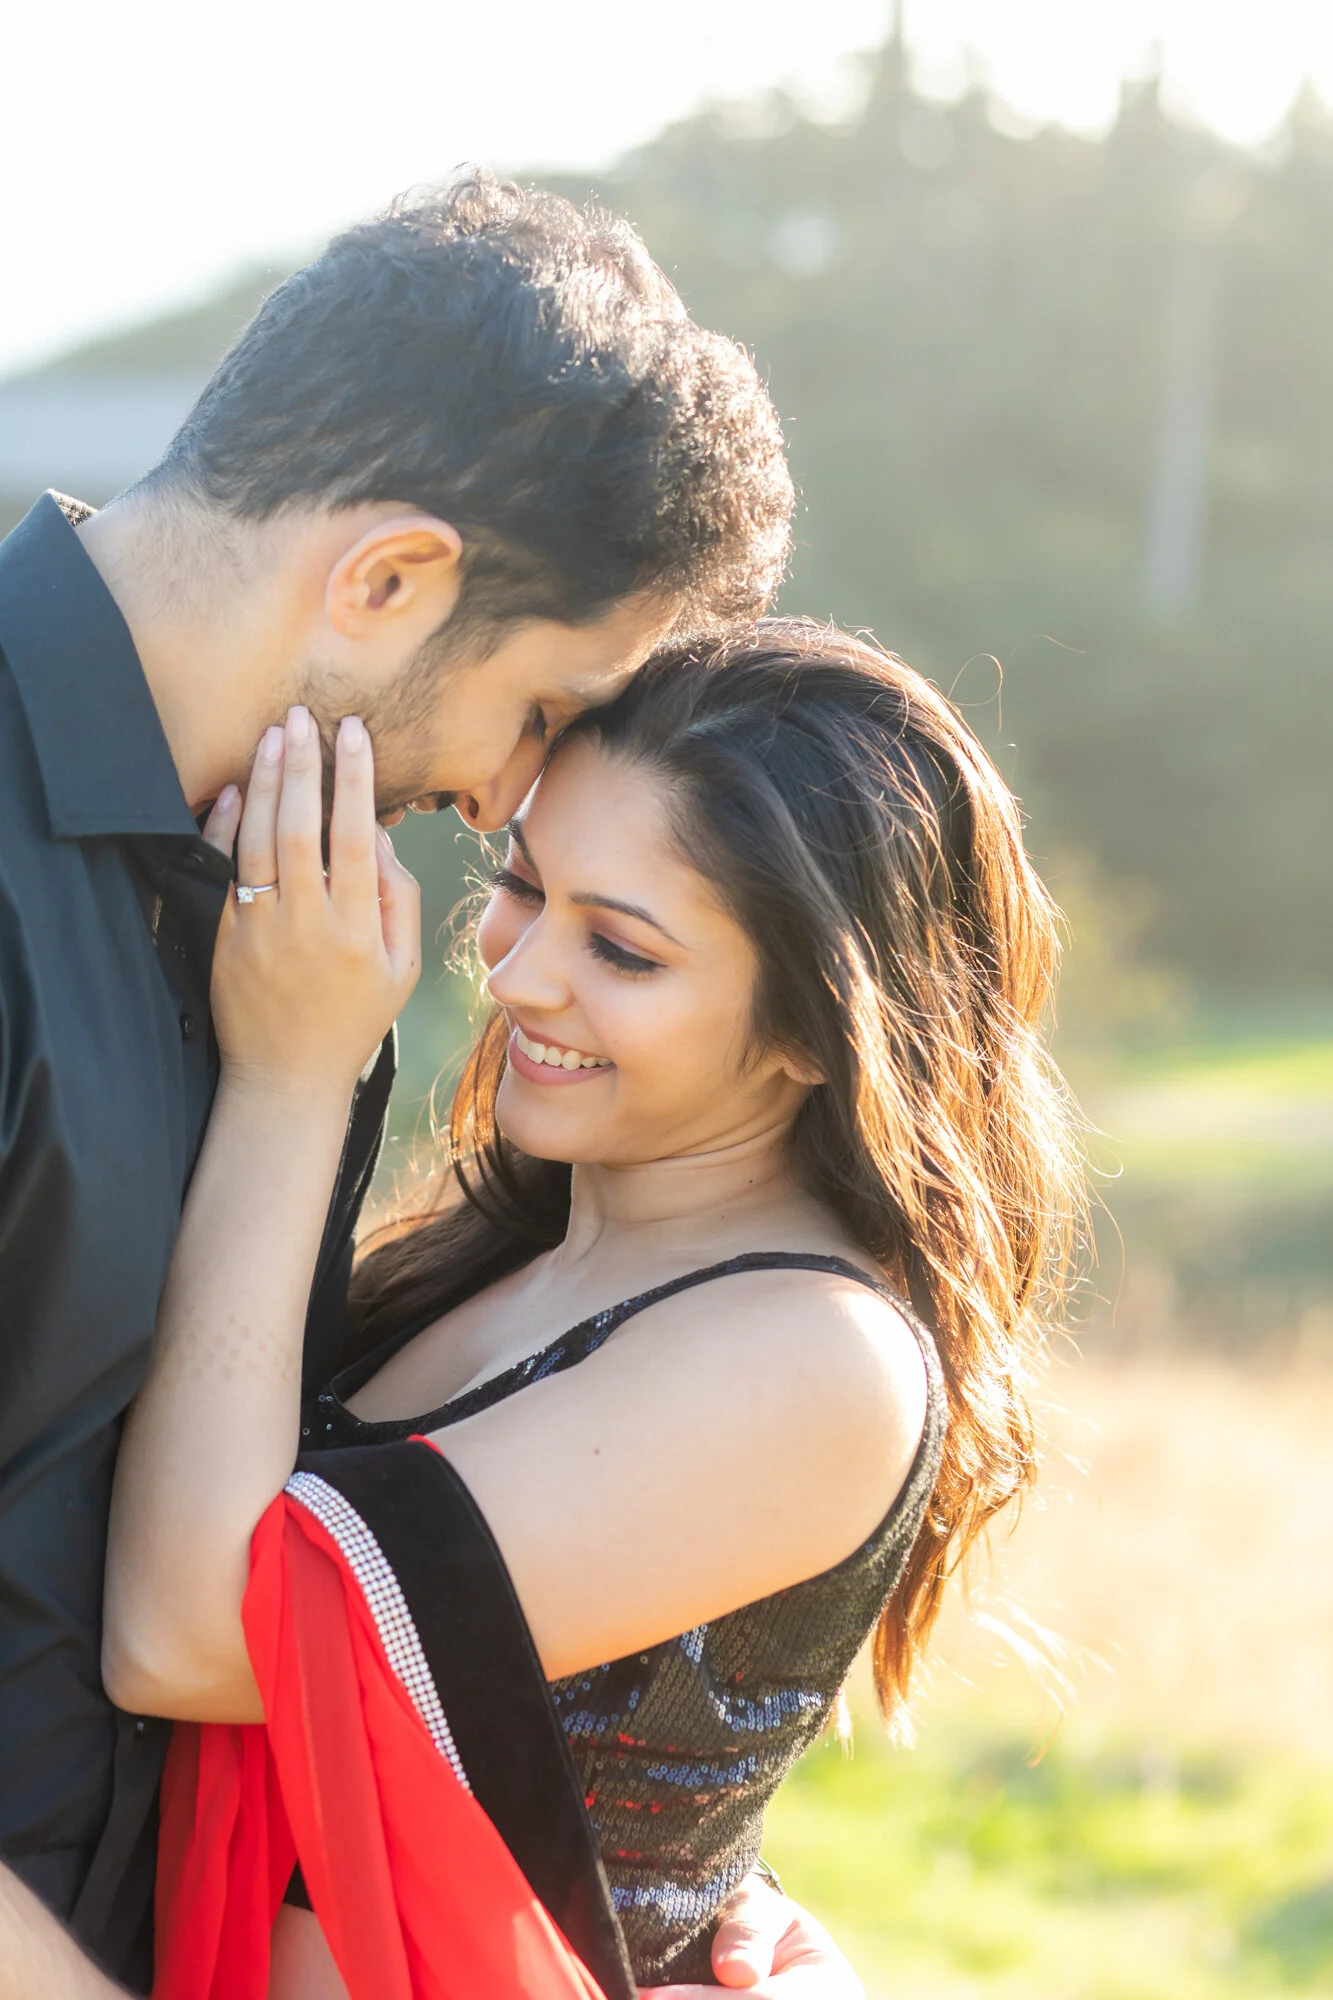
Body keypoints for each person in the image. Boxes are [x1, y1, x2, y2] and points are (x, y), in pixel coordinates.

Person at [0, 172, 832, 1998]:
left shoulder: (296, 930)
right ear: (387, 580)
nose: (508, 802)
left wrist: (674, 1880)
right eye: (540, 713)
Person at [103, 623, 1083, 1998]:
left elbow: (190, 1635)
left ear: (814, 1029)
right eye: (521, 886)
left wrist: (292, 1078)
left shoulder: (815, 1358)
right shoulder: (509, 1252)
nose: (514, 975)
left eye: (620, 949)